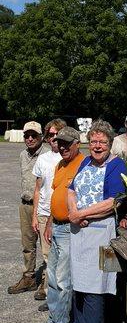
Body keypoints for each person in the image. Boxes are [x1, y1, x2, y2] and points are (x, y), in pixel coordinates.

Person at [66, 119, 127, 323]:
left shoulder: (116, 165)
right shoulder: (84, 163)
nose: (97, 146)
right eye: (93, 141)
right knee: (79, 286)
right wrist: (74, 212)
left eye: (102, 141)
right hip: (80, 234)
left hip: (104, 236)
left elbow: (114, 202)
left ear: (110, 143)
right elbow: (70, 189)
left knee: (98, 288)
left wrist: (81, 214)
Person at [31, 127, 85, 323]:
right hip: (57, 227)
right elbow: (56, 195)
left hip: (72, 230)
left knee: (64, 282)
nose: (61, 147)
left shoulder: (84, 164)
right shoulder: (60, 165)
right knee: (52, 278)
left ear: (77, 144)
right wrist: (51, 223)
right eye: (58, 142)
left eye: (66, 143)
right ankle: (53, 322)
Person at [8, 121, 49, 295]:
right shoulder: (22, 155)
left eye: (34, 135)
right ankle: (29, 277)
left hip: (43, 206)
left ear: (41, 137)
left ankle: (47, 282)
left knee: (46, 246)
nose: (30, 139)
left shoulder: (48, 155)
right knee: (27, 245)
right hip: (25, 204)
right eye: (27, 135)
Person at [31, 119, 66, 306]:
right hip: (44, 213)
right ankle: (48, 291)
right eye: (50, 135)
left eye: (56, 134)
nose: (53, 138)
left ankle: (57, 293)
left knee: (61, 257)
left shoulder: (67, 157)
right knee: (47, 256)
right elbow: (37, 189)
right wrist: (35, 215)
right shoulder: (42, 159)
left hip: (62, 214)